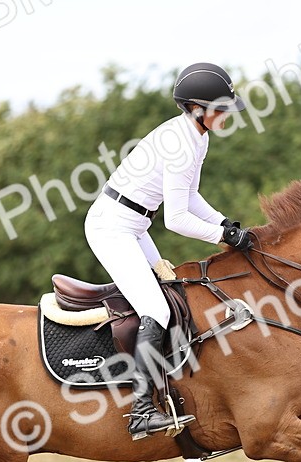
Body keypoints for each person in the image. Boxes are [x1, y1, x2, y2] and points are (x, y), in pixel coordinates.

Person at [85, 62, 255, 441]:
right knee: (157, 310)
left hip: (134, 225)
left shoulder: (198, 136)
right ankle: (140, 411)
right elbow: (176, 219)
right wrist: (222, 236)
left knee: (173, 294)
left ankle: (169, 385)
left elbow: (191, 197)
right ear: (196, 108)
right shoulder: (180, 145)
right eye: (221, 108)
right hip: (112, 228)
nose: (228, 115)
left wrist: (225, 224)